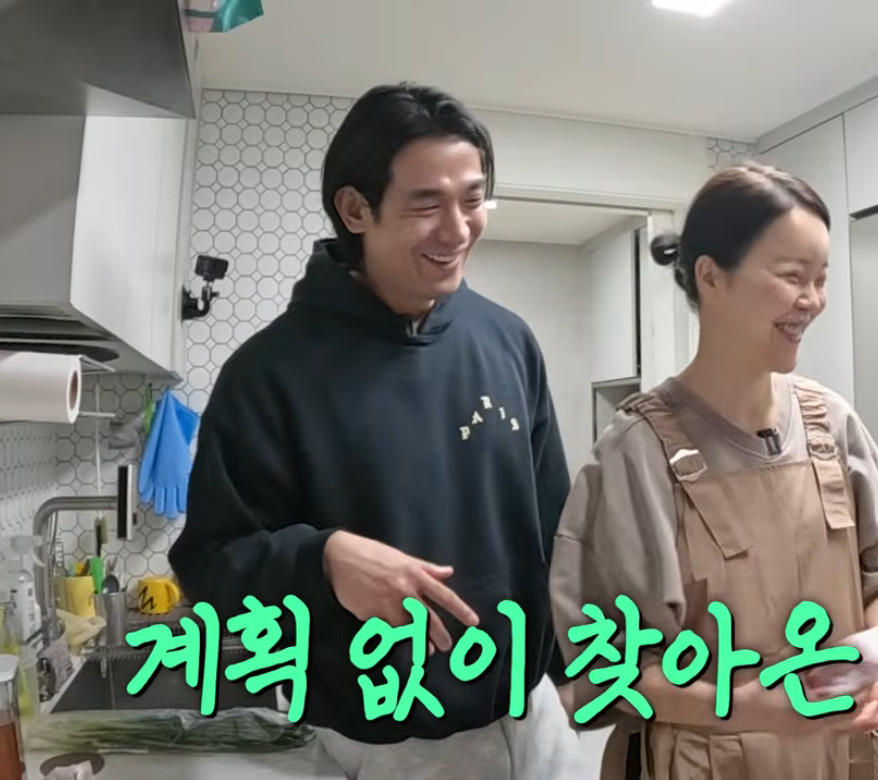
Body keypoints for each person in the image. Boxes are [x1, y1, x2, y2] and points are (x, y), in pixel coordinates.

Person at [168, 83, 583, 779]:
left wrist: (567, 675)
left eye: (473, 199)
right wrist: (322, 560)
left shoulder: (509, 341)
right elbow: (210, 565)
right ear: (355, 209)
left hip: (534, 721)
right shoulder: (269, 374)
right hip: (386, 748)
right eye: (427, 204)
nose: (458, 229)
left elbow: (556, 527)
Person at [548, 161, 878, 779]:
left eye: (821, 278)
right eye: (792, 276)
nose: (812, 300)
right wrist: (759, 708)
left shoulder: (831, 423)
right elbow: (610, 667)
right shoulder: (638, 451)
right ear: (712, 277)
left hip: (843, 759)